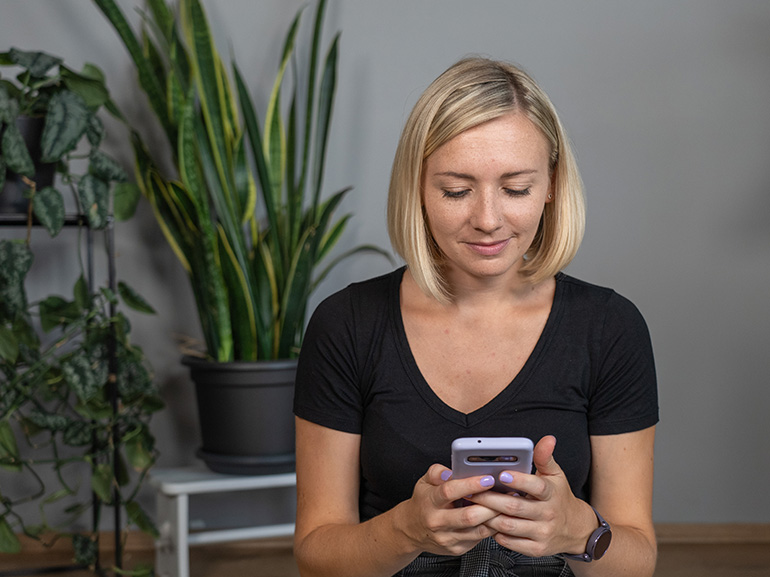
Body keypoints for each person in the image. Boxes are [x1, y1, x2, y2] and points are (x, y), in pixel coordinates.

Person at [292, 57, 658, 577]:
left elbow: (637, 560)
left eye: (516, 189)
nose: (487, 220)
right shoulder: (347, 324)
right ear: (417, 188)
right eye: (456, 191)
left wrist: (578, 531)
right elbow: (315, 554)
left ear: (551, 185)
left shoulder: (609, 327)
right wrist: (405, 531)